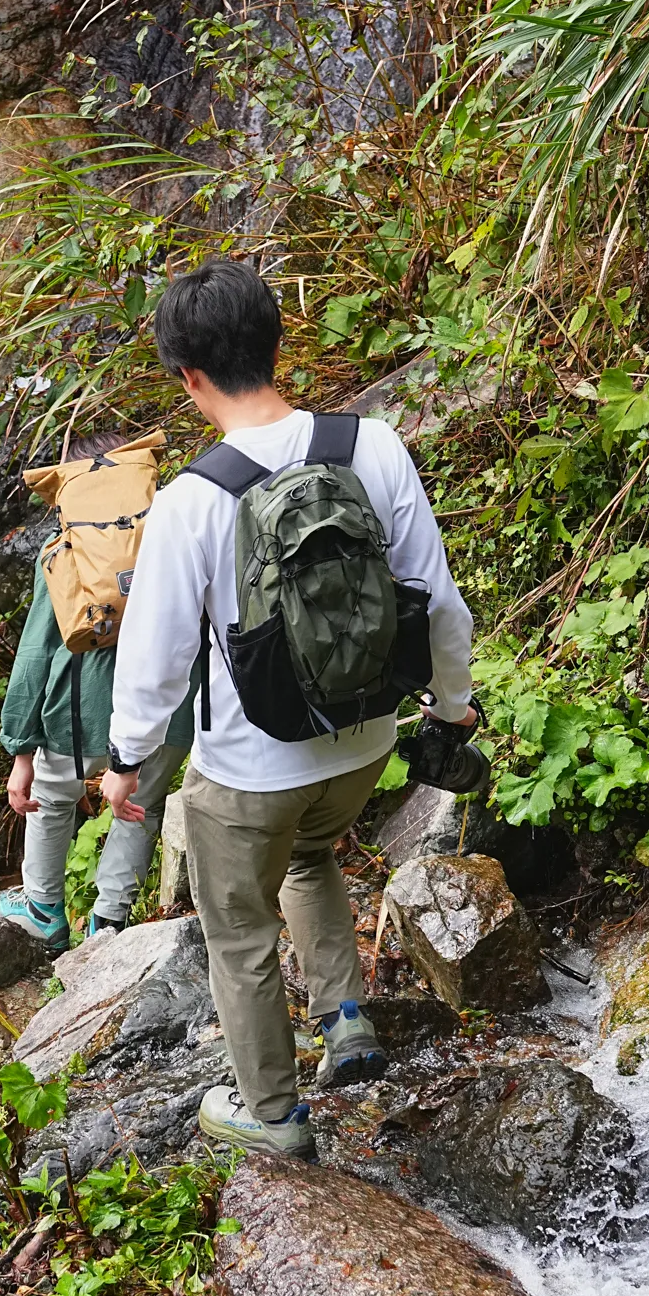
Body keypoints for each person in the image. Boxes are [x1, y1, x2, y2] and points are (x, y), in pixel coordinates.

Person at [103, 258, 477, 1157]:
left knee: (238, 932)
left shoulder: (191, 500)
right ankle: (346, 1018)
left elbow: (153, 661)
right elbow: (441, 602)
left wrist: (126, 761)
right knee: (311, 856)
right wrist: (450, 708)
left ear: (188, 376)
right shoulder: (370, 445)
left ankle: (271, 1117)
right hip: (361, 744)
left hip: (248, 770)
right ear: (279, 341)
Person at [0, 542, 194, 950]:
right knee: (141, 808)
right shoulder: (176, 528)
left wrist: (21, 750)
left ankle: (42, 910)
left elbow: (37, 650)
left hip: (83, 706)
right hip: (170, 707)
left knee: (51, 799)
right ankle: (107, 927)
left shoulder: (64, 546)